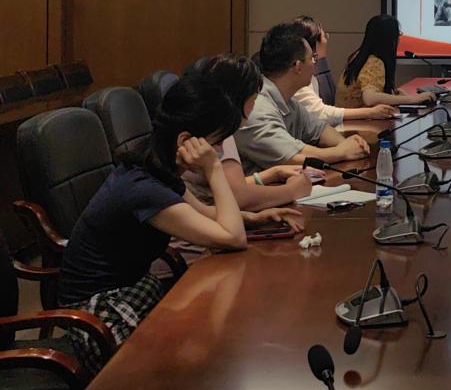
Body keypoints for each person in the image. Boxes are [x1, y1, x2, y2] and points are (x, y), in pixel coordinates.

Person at [58, 72, 304, 372]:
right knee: (202, 357)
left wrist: (255, 218)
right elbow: (232, 239)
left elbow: (205, 214)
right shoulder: (144, 189)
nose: (219, 152)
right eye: (216, 144)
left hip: (129, 291)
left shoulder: (156, 167)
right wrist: (213, 170)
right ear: (186, 141)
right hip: (99, 316)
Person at [233, 23, 372, 173]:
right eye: (312, 58)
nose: (315, 63)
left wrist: (346, 144)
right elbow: (290, 157)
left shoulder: (288, 101)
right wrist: (341, 152)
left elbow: (319, 129)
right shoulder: (256, 107)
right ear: (298, 66)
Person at [183, 55, 313, 210]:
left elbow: (225, 185)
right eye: (254, 100)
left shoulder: (203, 117)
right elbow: (239, 197)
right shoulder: (220, 128)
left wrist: (271, 174)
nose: (254, 107)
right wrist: (293, 190)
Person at [290, 16, 398, 125]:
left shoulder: (308, 73)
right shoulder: (298, 76)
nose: (326, 39)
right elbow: (320, 113)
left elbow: (325, 107)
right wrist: (370, 112)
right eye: (323, 36)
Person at [335, 14, 437, 108]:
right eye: (398, 34)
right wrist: (413, 99)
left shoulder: (358, 56)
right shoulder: (374, 62)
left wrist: (394, 96)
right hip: (357, 120)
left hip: (347, 117)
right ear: (390, 39)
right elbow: (370, 99)